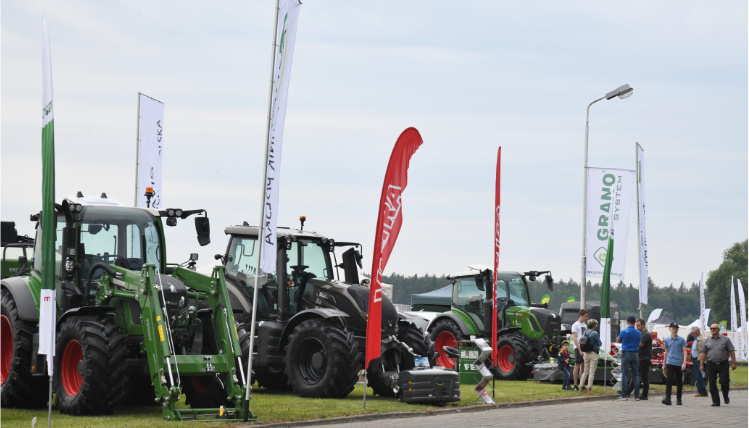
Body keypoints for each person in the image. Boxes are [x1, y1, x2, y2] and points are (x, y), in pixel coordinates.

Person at [700, 323, 738, 406]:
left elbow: (731, 351)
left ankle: (725, 395)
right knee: (712, 383)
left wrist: (733, 363)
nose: (712, 330)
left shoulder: (725, 340)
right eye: (711, 328)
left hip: (723, 363)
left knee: (724, 381)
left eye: (714, 328)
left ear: (718, 330)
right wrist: (701, 364)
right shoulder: (707, 340)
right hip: (711, 363)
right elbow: (703, 353)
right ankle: (716, 401)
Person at [625, 318, 652, 400]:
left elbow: (640, 344)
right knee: (635, 375)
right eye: (636, 325)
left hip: (644, 358)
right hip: (640, 357)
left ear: (643, 325)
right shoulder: (642, 334)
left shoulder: (646, 334)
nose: (636, 327)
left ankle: (645, 394)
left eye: (638, 326)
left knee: (644, 377)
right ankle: (627, 392)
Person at [662, 322, 688, 405]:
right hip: (670, 362)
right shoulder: (667, 340)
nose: (674, 330)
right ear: (670, 329)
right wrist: (664, 363)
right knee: (669, 380)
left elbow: (685, 352)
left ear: (678, 330)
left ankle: (679, 399)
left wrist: (684, 363)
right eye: (673, 329)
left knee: (679, 381)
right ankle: (668, 398)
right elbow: (666, 352)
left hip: (678, 362)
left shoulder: (681, 340)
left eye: (676, 329)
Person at [617, 315, 641, 401]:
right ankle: (637, 395)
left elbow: (618, 340)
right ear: (634, 323)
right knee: (636, 375)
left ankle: (624, 395)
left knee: (625, 374)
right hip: (635, 354)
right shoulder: (638, 333)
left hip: (626, 353)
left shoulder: (624, 332)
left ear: (627, 322)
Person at [578, 319, 601, 395]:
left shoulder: (585, 332)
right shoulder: (595, 333)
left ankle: (581, 387)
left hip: (586, 353)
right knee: (592, 372)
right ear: (594, 326)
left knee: (585, 371)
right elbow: (599, 343)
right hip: (593, 353)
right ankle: (589, 389)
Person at [571, 308, 589, 390]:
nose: (587, 318)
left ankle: (581, 384)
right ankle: (575, 384)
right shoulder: (575, 325)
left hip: (584, 348)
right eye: (585, 316)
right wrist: (579, 349)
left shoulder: (585, 326)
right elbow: (574, 338)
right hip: (578, 347)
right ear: (581, 315)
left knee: (583, 366)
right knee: (577, 365)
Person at [687, 326, 708, 397]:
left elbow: (703, 351)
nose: (691, 334)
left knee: (699, 376)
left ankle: (702, 391)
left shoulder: (701, 339)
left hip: (699, 360)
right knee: (697, 376)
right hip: (696, 359)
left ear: (696, 332)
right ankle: (702, 391)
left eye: (692, 333)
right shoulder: (696, 339)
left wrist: (702, 361)